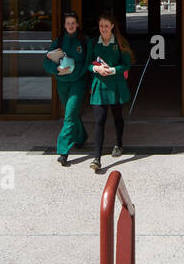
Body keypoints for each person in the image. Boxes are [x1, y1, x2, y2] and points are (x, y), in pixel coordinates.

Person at [87, 13, 132, 173]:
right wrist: (96, 68)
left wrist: (112, 70)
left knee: (117, 116)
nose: (103, 29)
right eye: (101, 26)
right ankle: (96, 158)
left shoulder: (120, 42)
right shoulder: (93, 43)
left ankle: (118, 144)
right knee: (99, 120)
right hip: (99, 85)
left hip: (116, 85)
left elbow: (127, 65)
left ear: (112, 26)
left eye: (106, 26)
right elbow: (87, 64)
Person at [43, 10, 89, 167]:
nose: (70, 25)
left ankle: (63, 152)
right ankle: (81, 137)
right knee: (73, 114)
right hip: (62, 82)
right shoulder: (59, 41)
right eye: (68, 23)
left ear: (77, 24)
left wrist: (78, 74)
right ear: (64, 25)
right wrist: (56, 70)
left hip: (78, 82)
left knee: (69, 114)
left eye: (73, 23)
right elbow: (47, 61)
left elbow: (89, 62)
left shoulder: (84, 41)